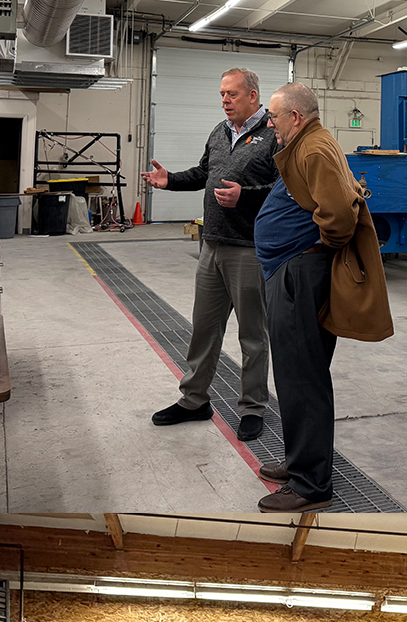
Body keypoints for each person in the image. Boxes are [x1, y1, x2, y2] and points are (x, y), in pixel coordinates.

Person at [253, 83, 393, 512]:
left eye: (274, 117)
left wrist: (310, 252)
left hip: (300, 273)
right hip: (291, 270)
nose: (270, 124)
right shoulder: (309, 142)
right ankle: (300, 464)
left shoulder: (313, 148)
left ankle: (311, 485)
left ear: (295, 116)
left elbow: (338, 216)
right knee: (295, 377)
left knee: (303, 380)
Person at [143, 68, 279, 442]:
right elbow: (205, 172)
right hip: (212, 244)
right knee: (203, 329)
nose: (225, 100)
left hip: (248, 249)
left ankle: (253, 406)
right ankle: (194, 400)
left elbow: (286, 189)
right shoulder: (219, 132)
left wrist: (246, 196)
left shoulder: (273, 135)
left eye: (232, 94)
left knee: (253, 336)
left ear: (253, 95)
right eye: (222, 94)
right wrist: (170, 180)